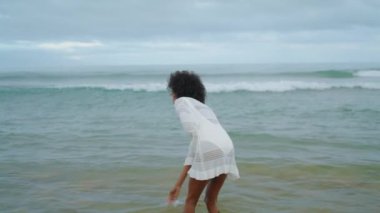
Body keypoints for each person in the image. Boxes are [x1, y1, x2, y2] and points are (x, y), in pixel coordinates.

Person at [167, 71, 240, 213]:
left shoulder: (182, 102)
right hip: (227, 148)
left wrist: (188, 123)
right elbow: (192, 155)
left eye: (172, 92)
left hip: (209, 147)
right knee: (210, 201)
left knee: (190, 201)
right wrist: (178, 185)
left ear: (178, 91)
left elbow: (189, 126)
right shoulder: (204, 110)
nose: (171, 96)